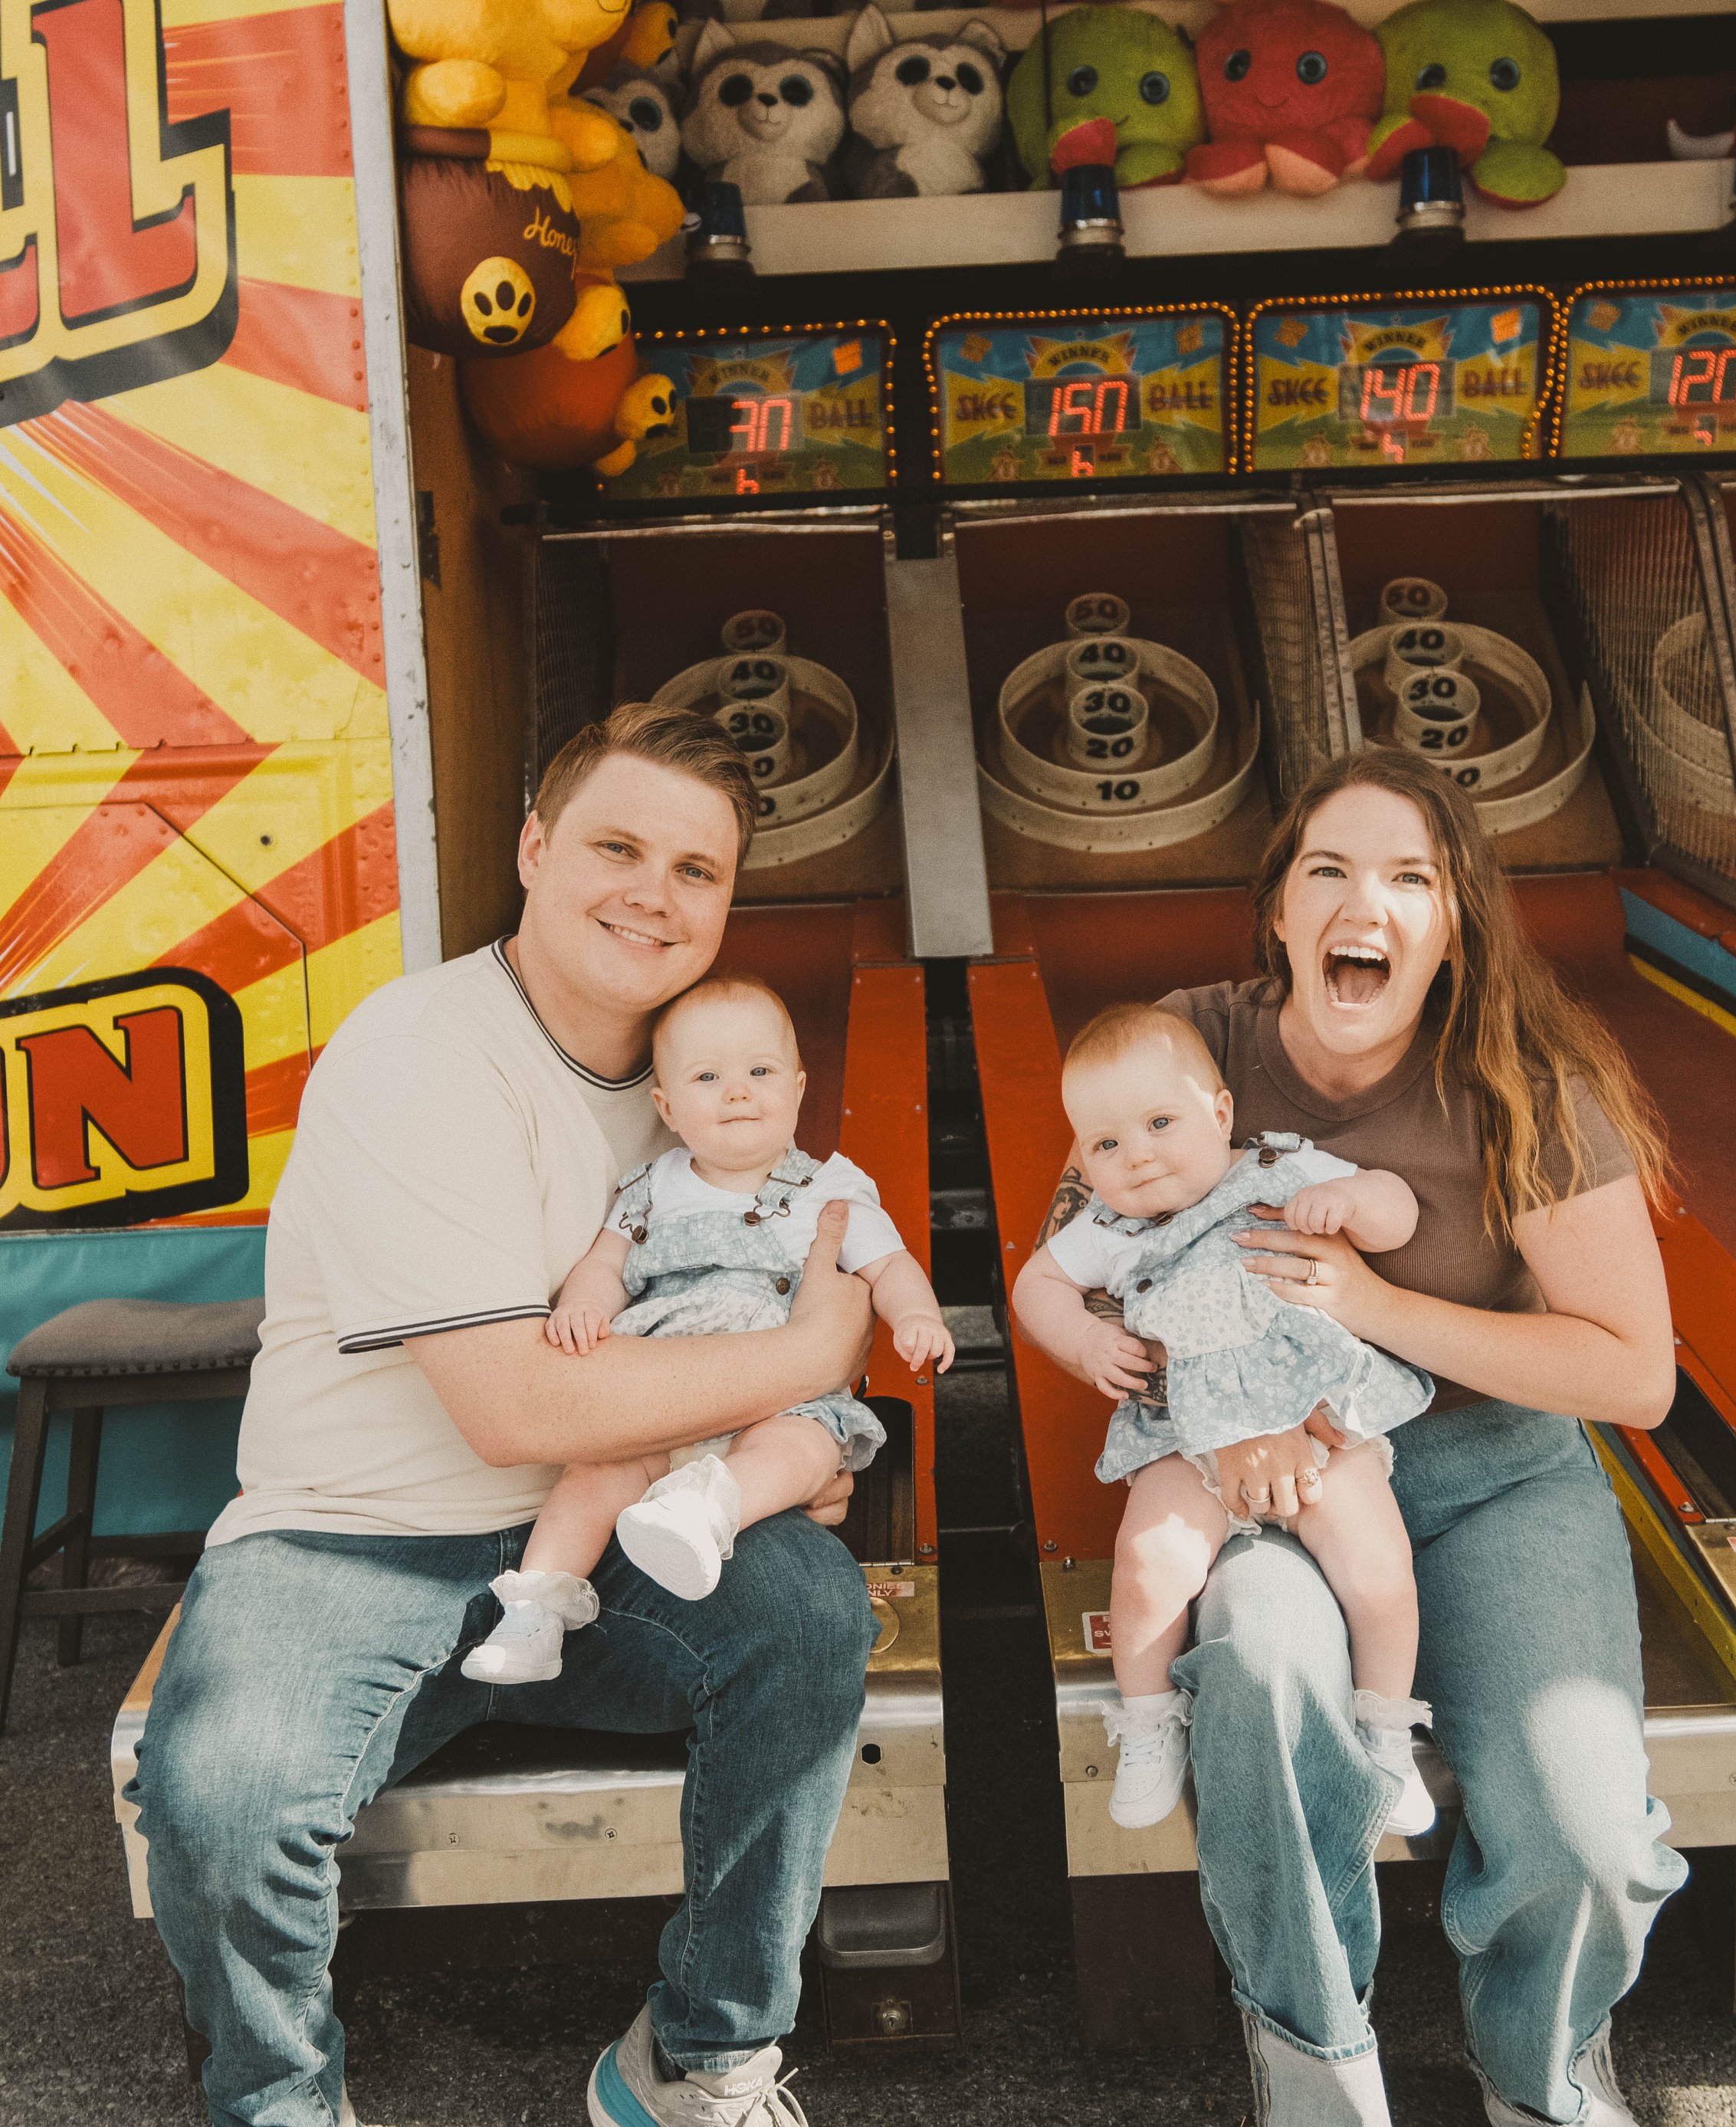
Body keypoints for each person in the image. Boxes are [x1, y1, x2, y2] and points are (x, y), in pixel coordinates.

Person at [127, 703, 880, 2127]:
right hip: (348, 1544)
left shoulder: (692, 1088)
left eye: (697, 870)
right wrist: (800, 1366)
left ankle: (701, 2059)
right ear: (533, 849)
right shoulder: (424, 1050)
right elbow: (515, 1405)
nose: (653, 895)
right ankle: (278, 2099)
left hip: (594, 1528)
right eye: (615, 845)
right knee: (223, 1797)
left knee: (809, 1614)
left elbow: (770, 1295)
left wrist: (771, 1451)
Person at [1036, 750, 1686, 2127]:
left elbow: (1635, 1376)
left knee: (1585, 1834)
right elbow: (1078, 1270)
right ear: (1280, 910)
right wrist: (1210, 1438)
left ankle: (1543, 2067)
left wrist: (1381, 1307)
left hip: (1500, 1473)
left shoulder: (1525, 1083)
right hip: (1270, 1468)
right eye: (1329, 869)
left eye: (1410, 878)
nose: (1364, 903)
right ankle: (1314, 2062)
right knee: (1265, 1681)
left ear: (1453, 924)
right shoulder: (1189, 1049)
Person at [1012, 1003, 1434, 1833]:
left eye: (1159, 1123)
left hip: (1316, 1415)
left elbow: (1399, 1210)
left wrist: (1353, 1198)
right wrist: (1085, 1338)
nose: (1134, 1156)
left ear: (1220, 1114)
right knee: (1146, 1563)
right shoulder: (1110, 1227)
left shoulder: (1282, 1169)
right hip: (1187, 1432)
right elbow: (1036, 1285)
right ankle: (1146, 1719)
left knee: (1379, 1572)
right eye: (1103, 1144)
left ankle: (1385, 1730)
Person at [464, 975, 951, 1681]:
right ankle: (534, 1612)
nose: (738, 1091)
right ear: (666, 1104)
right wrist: (585, 1306)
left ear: (800, 1087)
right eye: (708, 1076)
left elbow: (890, 1265)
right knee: (592, 1477)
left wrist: (916, 1314)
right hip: (659, 1392)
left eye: (761, 1071)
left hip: (775, 1401)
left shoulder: (830, 1190)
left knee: (805, 1449)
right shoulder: (651, 1188)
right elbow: (606, 1263)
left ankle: (707, 1513)